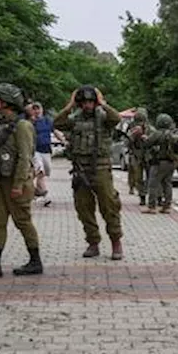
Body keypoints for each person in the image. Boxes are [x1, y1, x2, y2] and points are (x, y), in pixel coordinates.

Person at [0, 83, 42, 278]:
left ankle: (35, 261)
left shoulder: (22, 126)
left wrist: (19, 184)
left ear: (7, 102)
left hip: (15, 182)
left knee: (23, 221)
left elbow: (24, 156)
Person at [54, 85, 124, 260]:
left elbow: (116, 118)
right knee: (83, 207)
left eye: (91, 101)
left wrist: (103, 103)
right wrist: (69, 105)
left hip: (100, 168)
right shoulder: (74, 119)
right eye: (84, 102)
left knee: (109, 206)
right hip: (81, 169)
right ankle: (93, 242)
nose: (88, 105)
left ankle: (116, 242)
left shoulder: (103, 117)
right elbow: (56, 123)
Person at [28, 101, 54, 207]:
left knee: (43, 173)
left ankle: (30, 188)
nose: (37, 111)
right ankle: (45, 196)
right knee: (40, 172)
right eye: (34, 109)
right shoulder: (30, 122)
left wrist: (63, 140)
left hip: (46, 150)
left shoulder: (48, 120)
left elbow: (54, 130)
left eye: (38, 108)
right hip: (35, 150)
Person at [127, 108, 151, 208]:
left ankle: (153, 196)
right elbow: (127, 142)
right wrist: (133, 135)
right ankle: (142, 196)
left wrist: (146, 137)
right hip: (136, 155)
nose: (140, 123)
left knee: (151, 177)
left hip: (148, 155)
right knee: (138, 177)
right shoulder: (131, 127)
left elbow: (154, 141)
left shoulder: (150, 128)